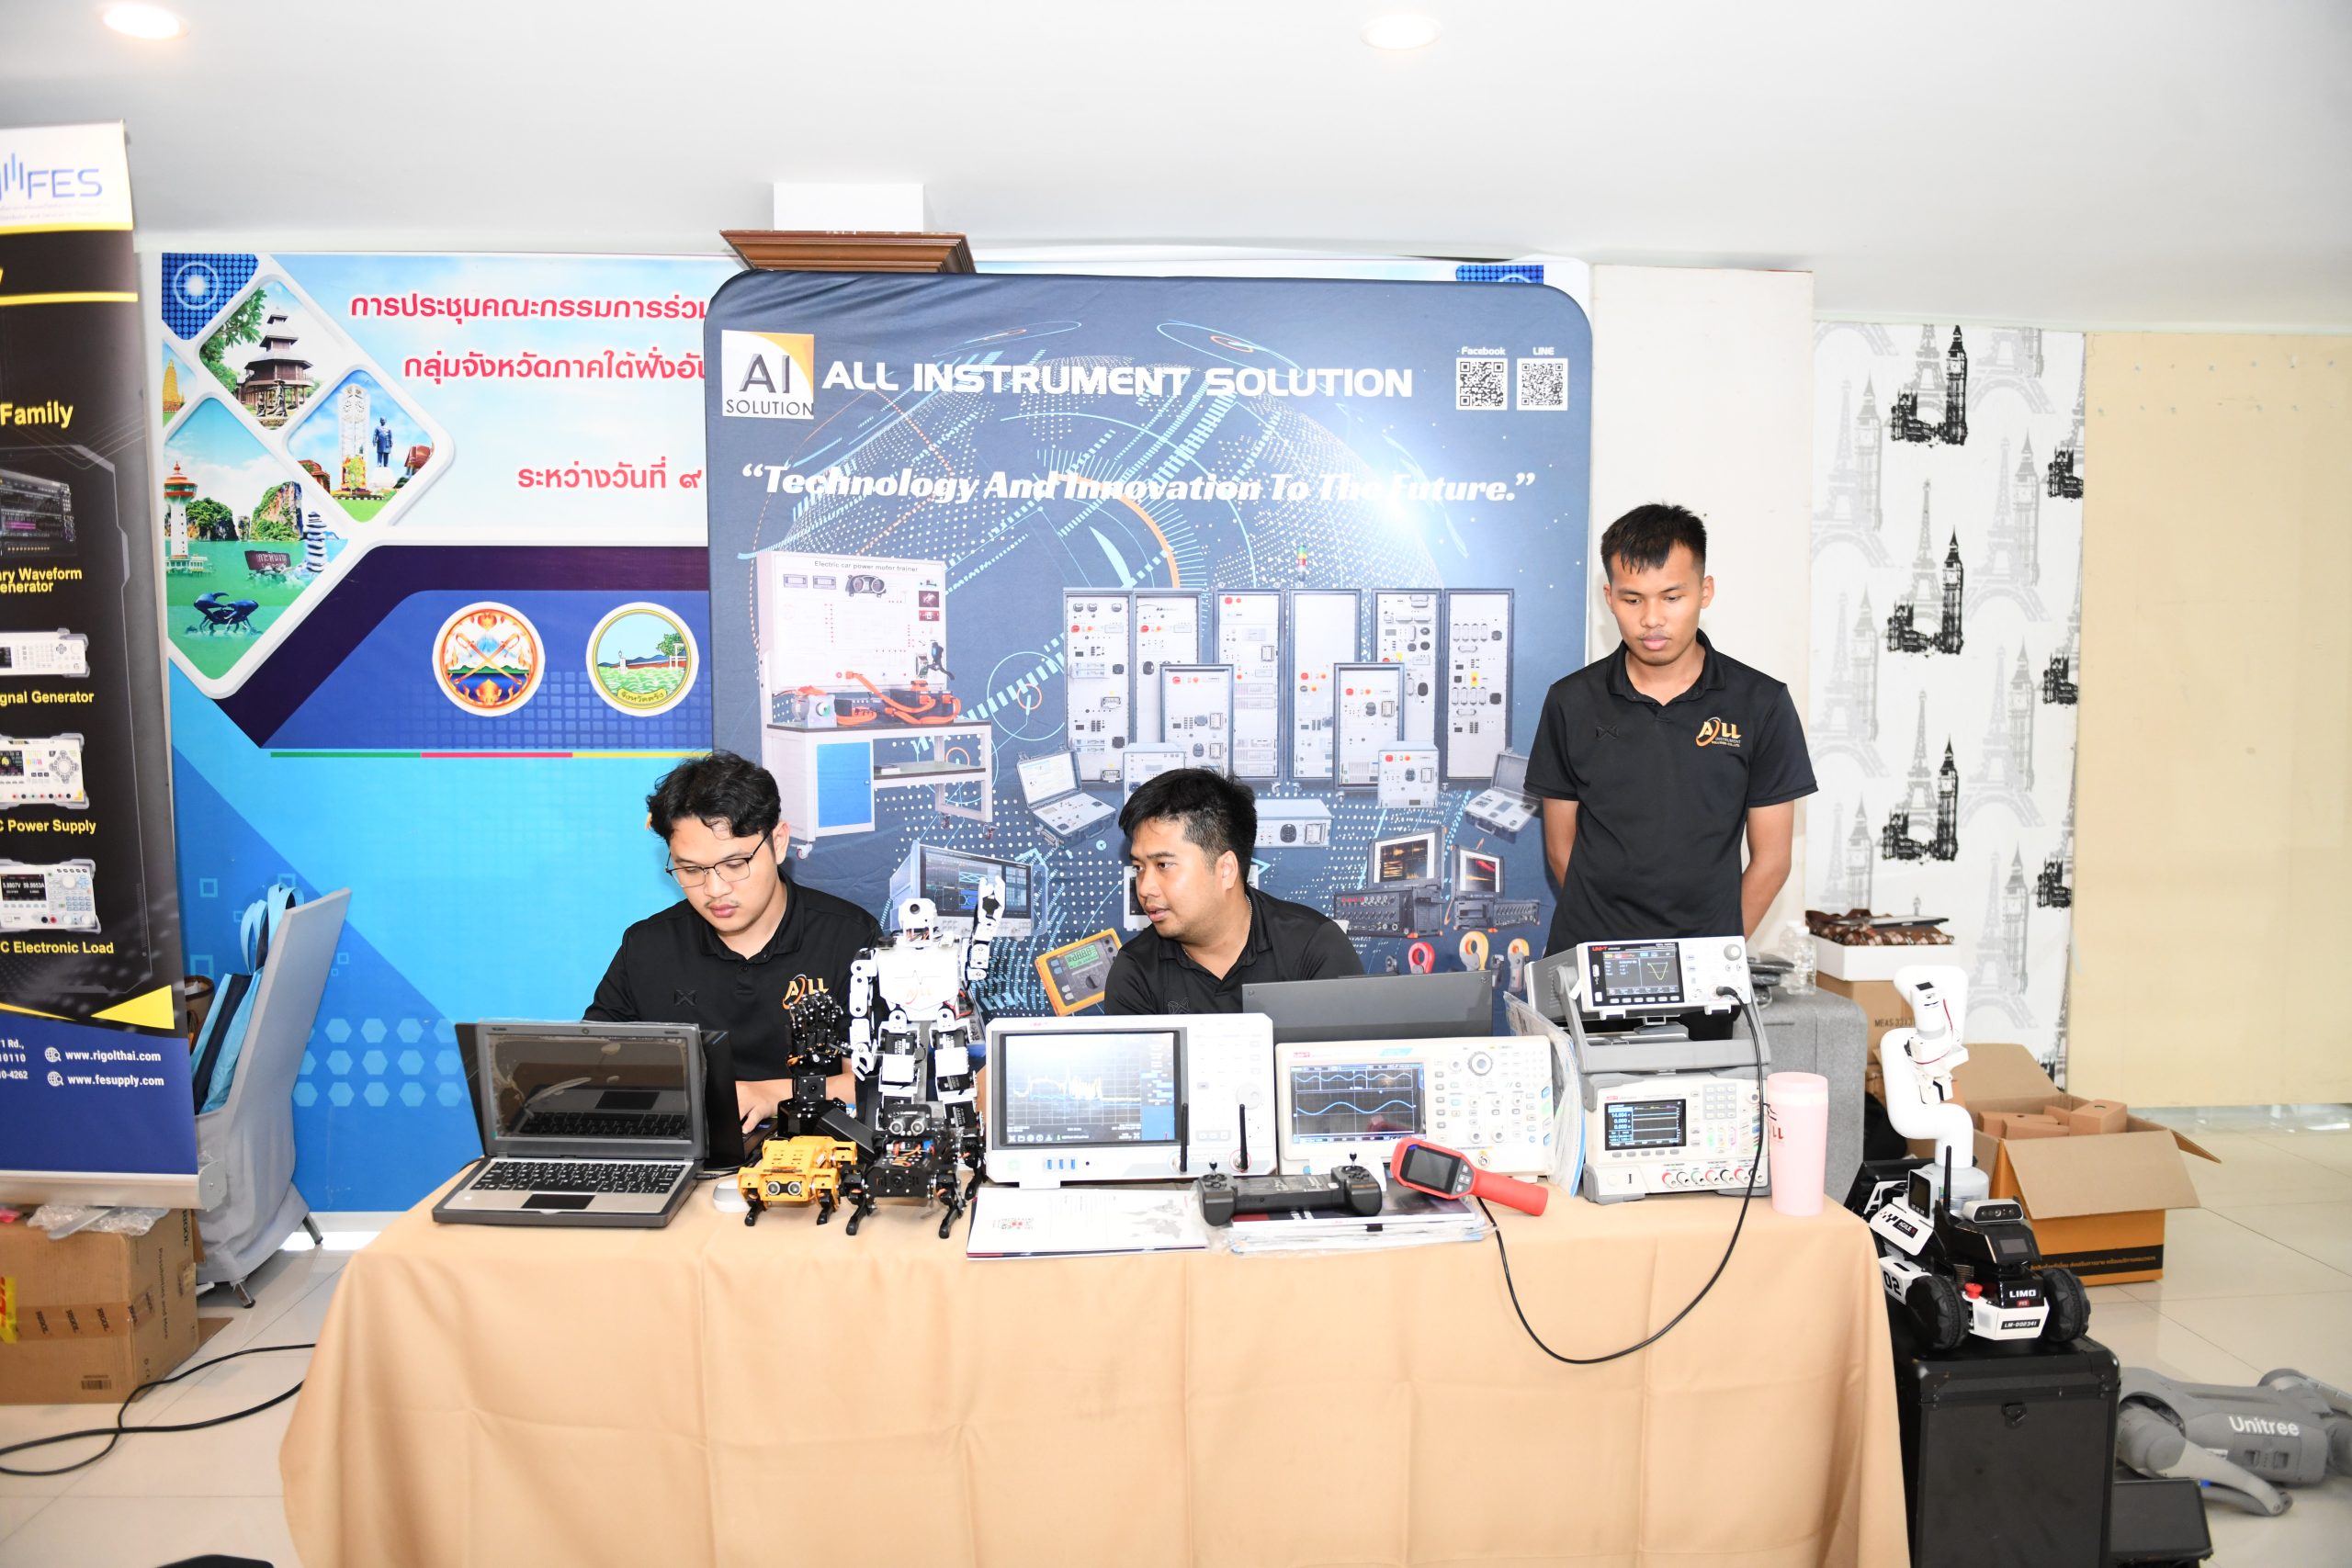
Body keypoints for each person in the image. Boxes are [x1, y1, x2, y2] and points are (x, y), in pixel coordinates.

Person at [1526, 502, 1815, 959]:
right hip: (1589, 959)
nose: (1652, 619)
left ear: (1705, 591)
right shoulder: (1571, 701)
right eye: (1633, 599)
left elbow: (1773, 860)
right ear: (1609, 598)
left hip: (1705, 968)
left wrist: (1711, 956)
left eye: (1671, 597)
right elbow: (1562, 852)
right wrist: (1615, 948)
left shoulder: (1761, 703)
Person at [586, 750, 880, 1132]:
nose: (715, 889)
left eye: (735, 864)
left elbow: (875, 1085)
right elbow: (596, 1070)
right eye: (691, 870)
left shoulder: (850, 938)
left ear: (778, 842)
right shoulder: (647, 947)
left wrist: (771, 1095)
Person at [1104, 768, 1362, 1014]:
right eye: (1139, 868)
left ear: (1226, 870)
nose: (1145, 888)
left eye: (1164, 865)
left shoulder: (1313, 947)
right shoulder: (1135, 971)